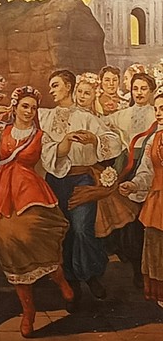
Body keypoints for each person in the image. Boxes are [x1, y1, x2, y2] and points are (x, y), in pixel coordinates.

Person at [0, 87, 73, 337]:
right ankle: (29, 312)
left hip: (30, 191)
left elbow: (55, 153)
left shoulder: (40, 136)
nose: (29, 111)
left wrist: (68, 140)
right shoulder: (1, 131)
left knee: (35, 238)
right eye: (25, 106)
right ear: (15, 108)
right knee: (7, 243)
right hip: (3, 192)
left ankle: (58, 277)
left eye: (33, 108)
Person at [40, 69, 122, 307]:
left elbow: (114, 141)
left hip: (82, 179)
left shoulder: (86, 117)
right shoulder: (46, 117)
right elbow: (43, 148)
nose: (52, 91)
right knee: (63, 230)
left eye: (55, 85)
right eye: (51, 86)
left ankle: (91, 274)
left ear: (69, 86)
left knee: (82, 229)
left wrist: (95, 140)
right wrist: (63, 144)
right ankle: (71, 281)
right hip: (55, 181)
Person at [119, 92, 163, 305]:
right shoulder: (154, 139)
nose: (158, 113)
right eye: (156, 109)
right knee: (156, 247)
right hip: (157, 203)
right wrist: (134, 184)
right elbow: (146, 171)